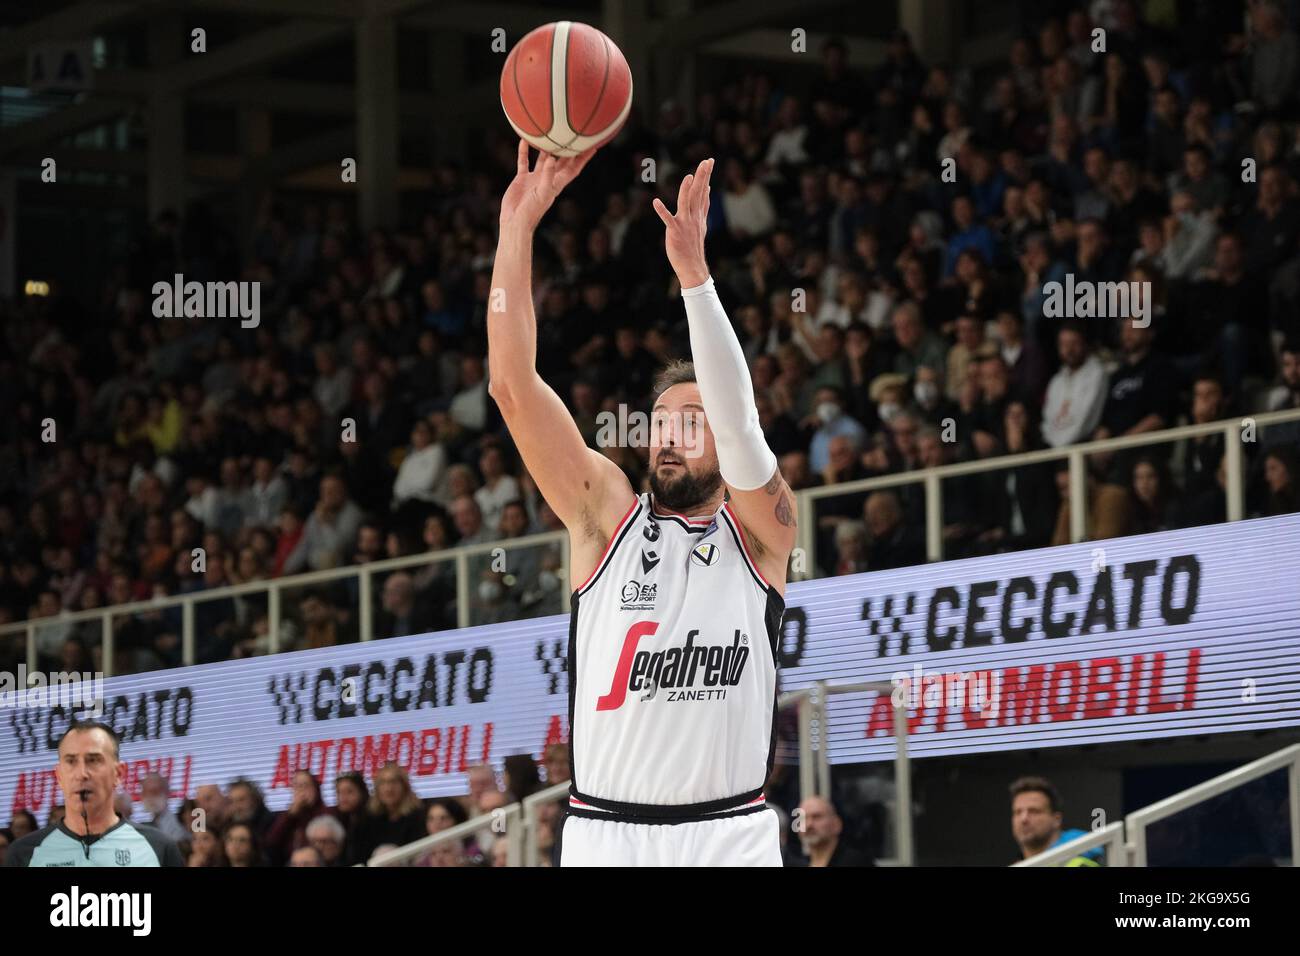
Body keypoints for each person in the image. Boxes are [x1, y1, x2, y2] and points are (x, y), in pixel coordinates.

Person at [489, 146, 792, 866]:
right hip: (605, 835)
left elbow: (742, 424)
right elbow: (511, 385)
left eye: (693, 423)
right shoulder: (604, 520)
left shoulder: (764, 537)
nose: (669, 437)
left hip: (731, 835)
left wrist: (695, 279)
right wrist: (516, 229)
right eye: (660, 423)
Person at [5, 720, 183, 867]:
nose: (82, 773)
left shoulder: (159, 847)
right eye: (71, 761)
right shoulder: (24, 853)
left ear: (118, 774)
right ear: (59, 776)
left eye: (93, 760)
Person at [1009, 776, 1102, 866]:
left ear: (1056, 820)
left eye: (1034, 811)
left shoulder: (1086, 852)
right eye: (1017, 812)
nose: (1024, 818)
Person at [791, 795, 872, 866]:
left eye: (817, 817)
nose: (808, 825)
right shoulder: (797, 862)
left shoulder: (856, 862)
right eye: (803, 819)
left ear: (837, 824)